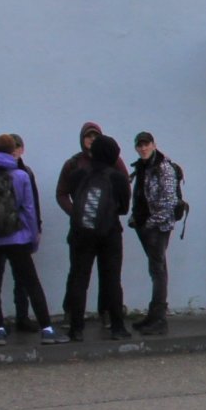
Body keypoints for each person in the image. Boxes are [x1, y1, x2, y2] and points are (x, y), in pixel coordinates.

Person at [0, 134, 64, 345]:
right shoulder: (21, 176)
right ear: (12, 150)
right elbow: (29, 209)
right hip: (18, 238)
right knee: (31, 283)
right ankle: (47, 329)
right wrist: (32, 237)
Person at [63, 133, 132, 341]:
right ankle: (117, 327)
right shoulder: (118, 177)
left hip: (80, 232)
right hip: (110, 233)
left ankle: (76, 329)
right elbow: (124, 208)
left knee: (79, 279)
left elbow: (74, 201)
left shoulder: (77, 174)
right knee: (111, 279)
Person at [128, 131, 185, 335]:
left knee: (158, 270)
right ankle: (154, 316)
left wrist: (150, 223)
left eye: (146, 144)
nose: (143, 148)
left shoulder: (163, 167)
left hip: (157, 227)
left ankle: (159, 319)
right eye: (139, 145)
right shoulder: (143, 166)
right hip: (145, 226)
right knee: (156, 270)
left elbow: (169, 201)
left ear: (153, 144)